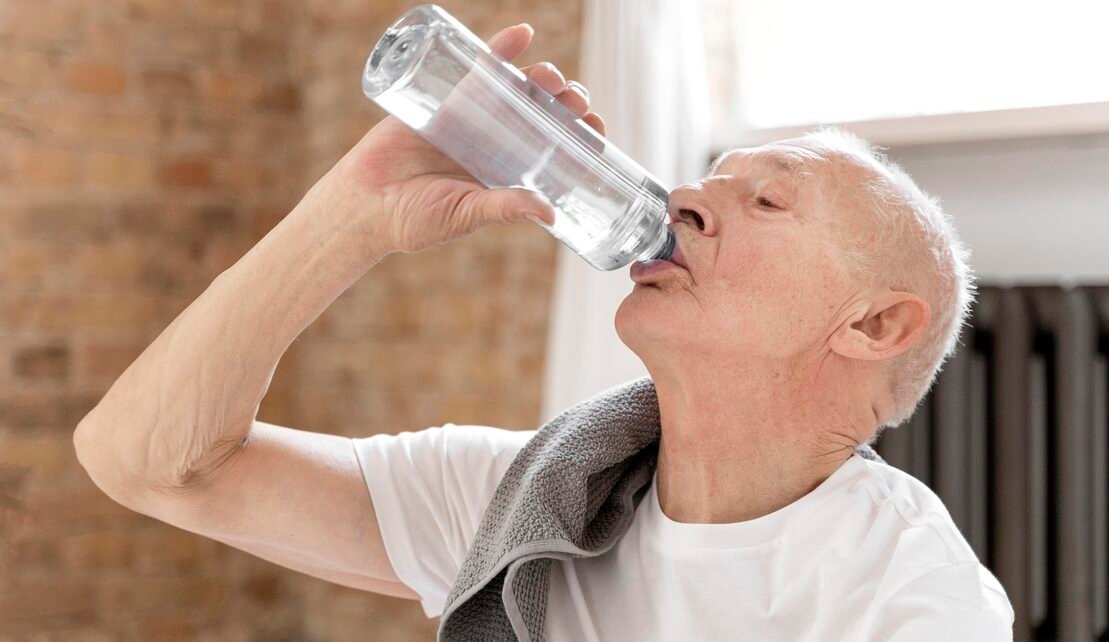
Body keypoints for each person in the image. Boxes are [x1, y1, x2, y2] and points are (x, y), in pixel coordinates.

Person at [74, 22, 1013, 641]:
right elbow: (147, 461)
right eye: (708, 176)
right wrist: (351, 216)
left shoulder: (909, 599)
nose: (685, 198)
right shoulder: (529, 505)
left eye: (767, 199)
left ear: (876, 323)